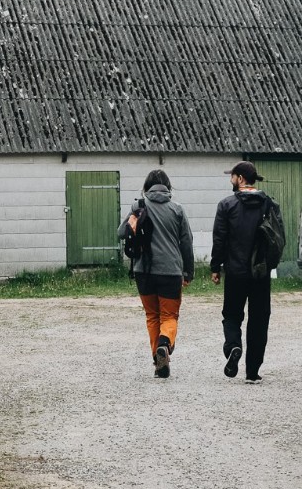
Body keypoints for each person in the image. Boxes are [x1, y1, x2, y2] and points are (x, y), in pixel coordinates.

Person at [118, 169, 194, 378]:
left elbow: (121, 232)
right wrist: (188, 272)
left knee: (152, 316)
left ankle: (158, 359)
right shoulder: (177, 209)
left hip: (143, 270)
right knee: (169, 315)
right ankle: (164, 345)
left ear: (147, 186)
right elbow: (187, 242)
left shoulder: (139, 206)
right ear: (168, 188)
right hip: (170, 271)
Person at [210, 160, 280, 383]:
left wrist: (215, 267)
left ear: (240, 179)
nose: (231, 180)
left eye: (232, 176)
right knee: (259, 320)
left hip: (235, 272)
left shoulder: (226, 205)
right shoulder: (269, 204)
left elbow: (219, 239)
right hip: (260, 273)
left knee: (231, 316)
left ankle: (233, 346)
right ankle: (252, 372)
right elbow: (277, 239)